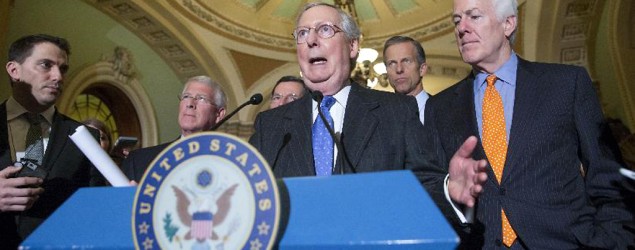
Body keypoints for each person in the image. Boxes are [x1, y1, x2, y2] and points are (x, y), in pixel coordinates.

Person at [423, 0, 635, 248]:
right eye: (457, 20)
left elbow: (609, 178)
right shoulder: (440, 107)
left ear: (508, 24)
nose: (462, 28)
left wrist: (611, 241)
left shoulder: (566, 84)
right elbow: (430, 192)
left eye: (474, 17)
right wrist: (450, 191)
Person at [248, 1, 488, 209]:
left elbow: (426, 184)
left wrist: (449, 190)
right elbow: (249, 198)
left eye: (324, 30)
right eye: (302, 33)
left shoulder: (397, 112)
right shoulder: (271, 126)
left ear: (352, 46)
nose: (311, 40)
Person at [0, 34, 104, 247]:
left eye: (62, 69)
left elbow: (94, 213)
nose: (58, 76)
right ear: (14, 70)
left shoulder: (84, 137)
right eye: (46, 65)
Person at [122, 75, 227, 182]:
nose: (190, 104)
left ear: (219, 114)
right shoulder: (139, 161)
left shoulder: (230, 166)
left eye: (201, 98)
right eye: (186, 97)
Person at [382, 36, 430, 124]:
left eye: (406, 61)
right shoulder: (379, 118)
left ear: (422, 69)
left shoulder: (447, 111)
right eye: (392, 63)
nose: (399, 69)